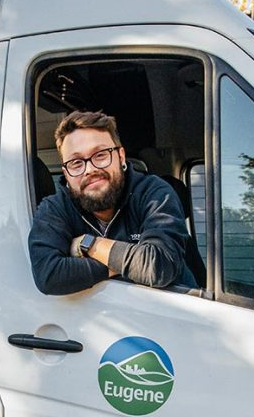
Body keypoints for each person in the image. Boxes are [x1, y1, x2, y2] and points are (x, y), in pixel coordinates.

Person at [28, 110, 200, 295]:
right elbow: (48, 276)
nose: (89, 169)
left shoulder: (153, 192)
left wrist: (89, 245)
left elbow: (159, 266)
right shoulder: (54, 208)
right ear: (65, 172)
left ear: (121, 156)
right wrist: (130, 262)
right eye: (76, 163)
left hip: (170, 316)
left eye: (100, 155)